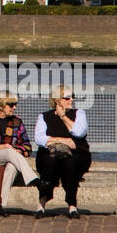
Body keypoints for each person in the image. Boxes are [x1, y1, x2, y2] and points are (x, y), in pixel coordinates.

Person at [34, 85, 92, 219]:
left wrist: (63, 117)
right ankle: (42, 203)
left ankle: (72, 205)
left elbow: (79, 132)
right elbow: (39, 138)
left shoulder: (79, 113)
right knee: (49, 162)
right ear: (57, 100)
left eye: (72, 97)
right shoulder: (44, 116)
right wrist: (63, 140)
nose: (71, 100)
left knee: (70, 163)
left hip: (78, 154)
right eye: (67, 98)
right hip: (51, 153)